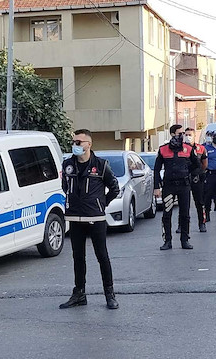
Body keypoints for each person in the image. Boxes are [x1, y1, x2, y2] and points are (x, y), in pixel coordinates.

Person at [60, 129, 120, 310]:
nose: (75, 145)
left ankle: (109, 294)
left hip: (96, 217)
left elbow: (114, 188)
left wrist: (101, 204)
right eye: (74, 142)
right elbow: (65, 187)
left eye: (79, 142)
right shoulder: (68, 165)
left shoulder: (101, 165)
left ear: (89, 144)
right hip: (75, 217)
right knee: (78, 257)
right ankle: (79, 293)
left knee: (102, 256)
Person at [154, 124, 199, 250]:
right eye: (180, 133)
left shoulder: (188, 149)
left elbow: (196, 164)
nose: (182, 135)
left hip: (184, 185)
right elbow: (156, 169)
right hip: (169, 186)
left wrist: (186, 171)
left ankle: (185, 240)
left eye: (183, 133)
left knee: (185, 214)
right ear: (172, 134)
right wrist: (156, 187)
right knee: (166, 214)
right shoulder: (163, 149)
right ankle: (167, 241)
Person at [180, 127, 208, 233]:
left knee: (200, 202)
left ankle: (202, 223)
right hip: (184, 177)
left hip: (197, 178)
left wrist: (200, 172)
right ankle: (181, 225)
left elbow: (205, 163)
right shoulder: (181, 148)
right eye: (186, 135)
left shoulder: (200, 148)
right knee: (183, 203)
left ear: (194, 136)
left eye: (190, 135)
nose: (188, 137)